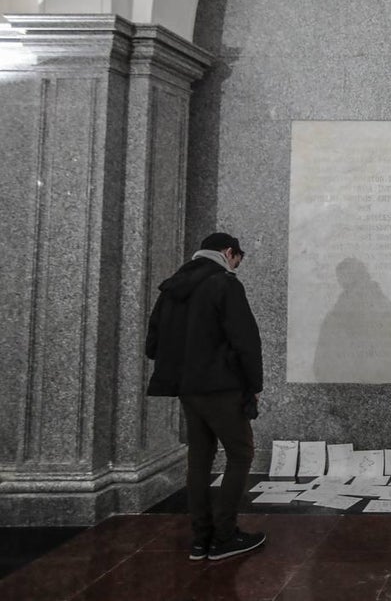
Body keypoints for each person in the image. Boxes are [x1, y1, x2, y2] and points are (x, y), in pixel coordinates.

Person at [145, 232, 265, 561]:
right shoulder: (225, 284)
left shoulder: (172, 287)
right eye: (237, 259)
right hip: (221, 387)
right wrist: (254, 384)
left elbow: (152, 344)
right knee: (241, 453)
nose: (236, 266)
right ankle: (225, 536)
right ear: (228, 252)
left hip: (188, 389)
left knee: (199, 458)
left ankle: (201, 539)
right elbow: (246, 340)